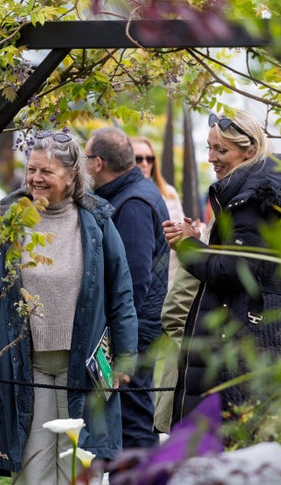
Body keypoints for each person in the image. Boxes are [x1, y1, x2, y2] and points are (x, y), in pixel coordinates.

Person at [0, 129, 138, 485]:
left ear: (72, 176)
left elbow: (120, 292)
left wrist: (126, 356)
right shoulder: (6, 219)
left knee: (77, 464)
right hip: (26, 364)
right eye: (32, 169)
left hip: (84, 367)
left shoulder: (96, 220)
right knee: (32, 464)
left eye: (46, 172)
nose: (36, 178)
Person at [164, 110, 281, 423]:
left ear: (250, 151)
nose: (212, 158)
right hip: (240, 342)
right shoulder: (246, 195)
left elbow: (231, 271)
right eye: (209, 148)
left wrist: (188, 245)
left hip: (243, 348)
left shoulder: (253, 201)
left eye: (222, 150)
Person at [85, 127, 170, 450]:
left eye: (85, 158)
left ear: (98, 163)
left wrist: (118, 341)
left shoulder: (133, 203)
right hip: (134, 329)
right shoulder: (128, 193)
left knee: (133, 421)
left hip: (135, 333)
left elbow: (134, 283)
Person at [131, 135, 196, 285]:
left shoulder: (169, 192)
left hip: (170, 273)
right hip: (143, 273)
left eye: (150, 159)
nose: (145, 164)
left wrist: (192, 231)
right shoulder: (127, 197)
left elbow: (182, 234)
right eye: (138, 159)